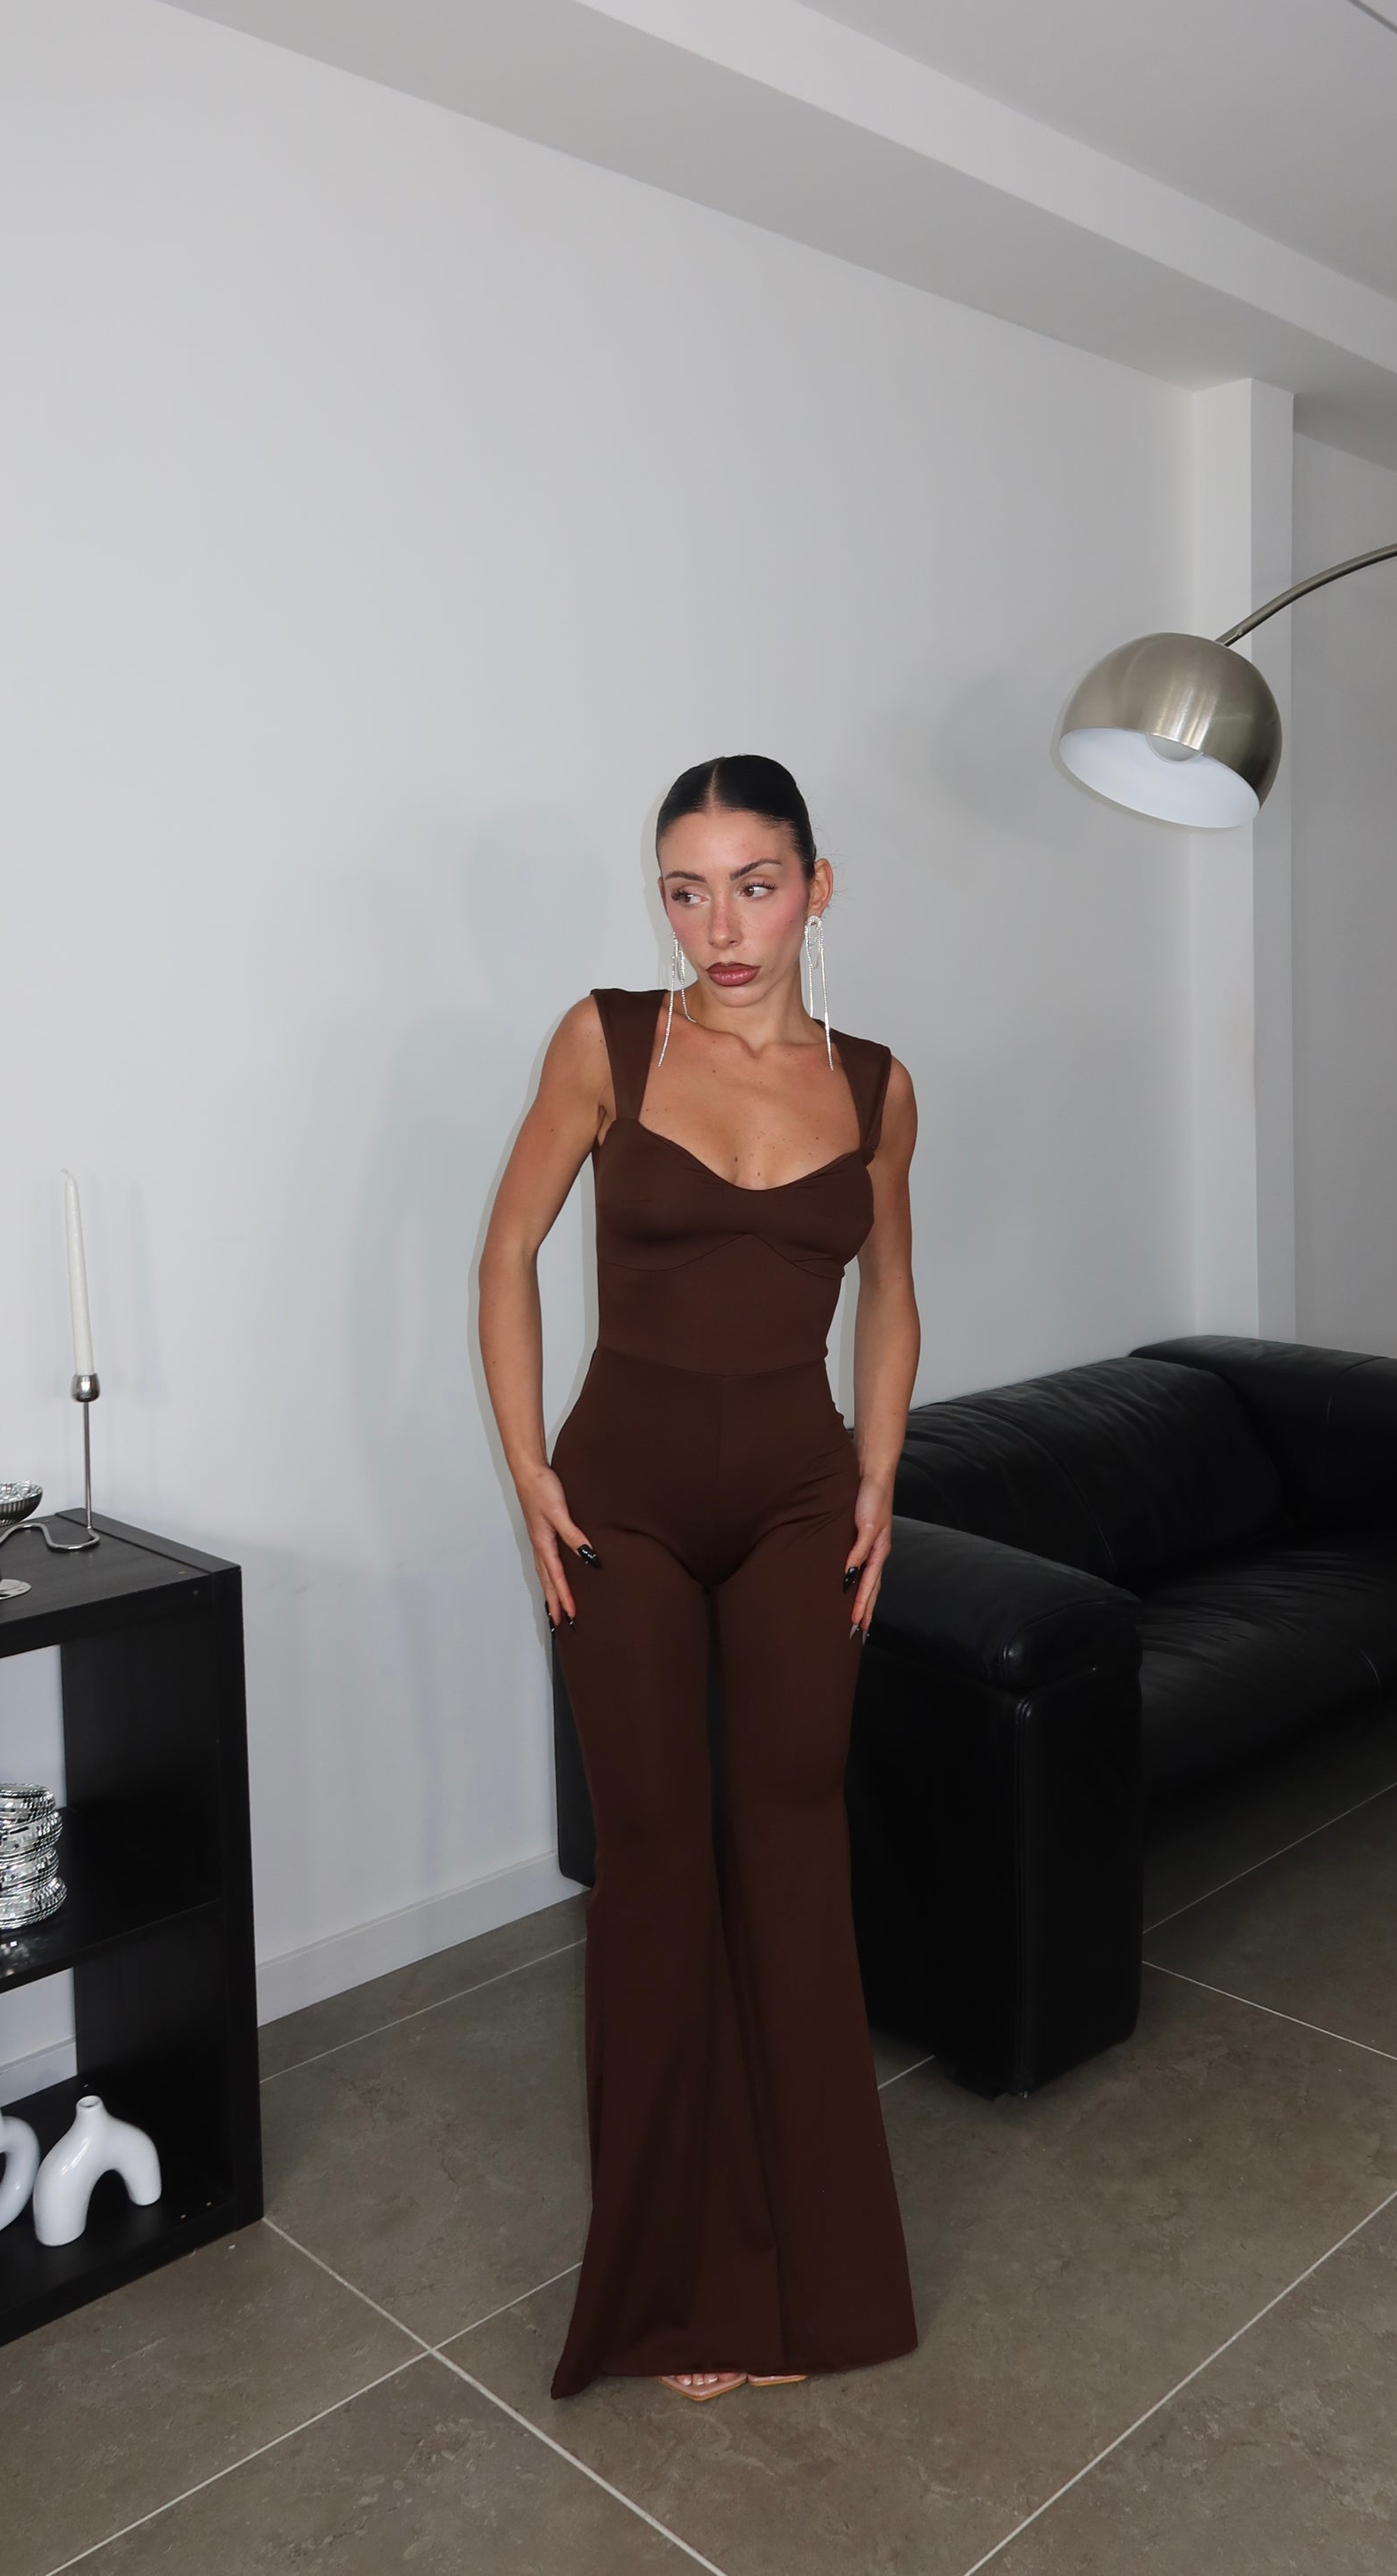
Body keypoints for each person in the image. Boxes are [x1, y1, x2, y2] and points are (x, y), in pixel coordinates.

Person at [477, 754, 920, 2402]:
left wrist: (880, 1468)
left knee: (792, 1855)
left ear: (816, 886)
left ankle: (812, 2284)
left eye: (754, 884)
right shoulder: (603, 1042)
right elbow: (505, 1252)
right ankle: (675, 2291)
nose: (720, 926)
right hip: (627, 1507)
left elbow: (890, 1288)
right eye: (685, 889)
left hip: (802, 1501)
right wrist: (527, 1467)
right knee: (658, 1864)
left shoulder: (875, 1086)